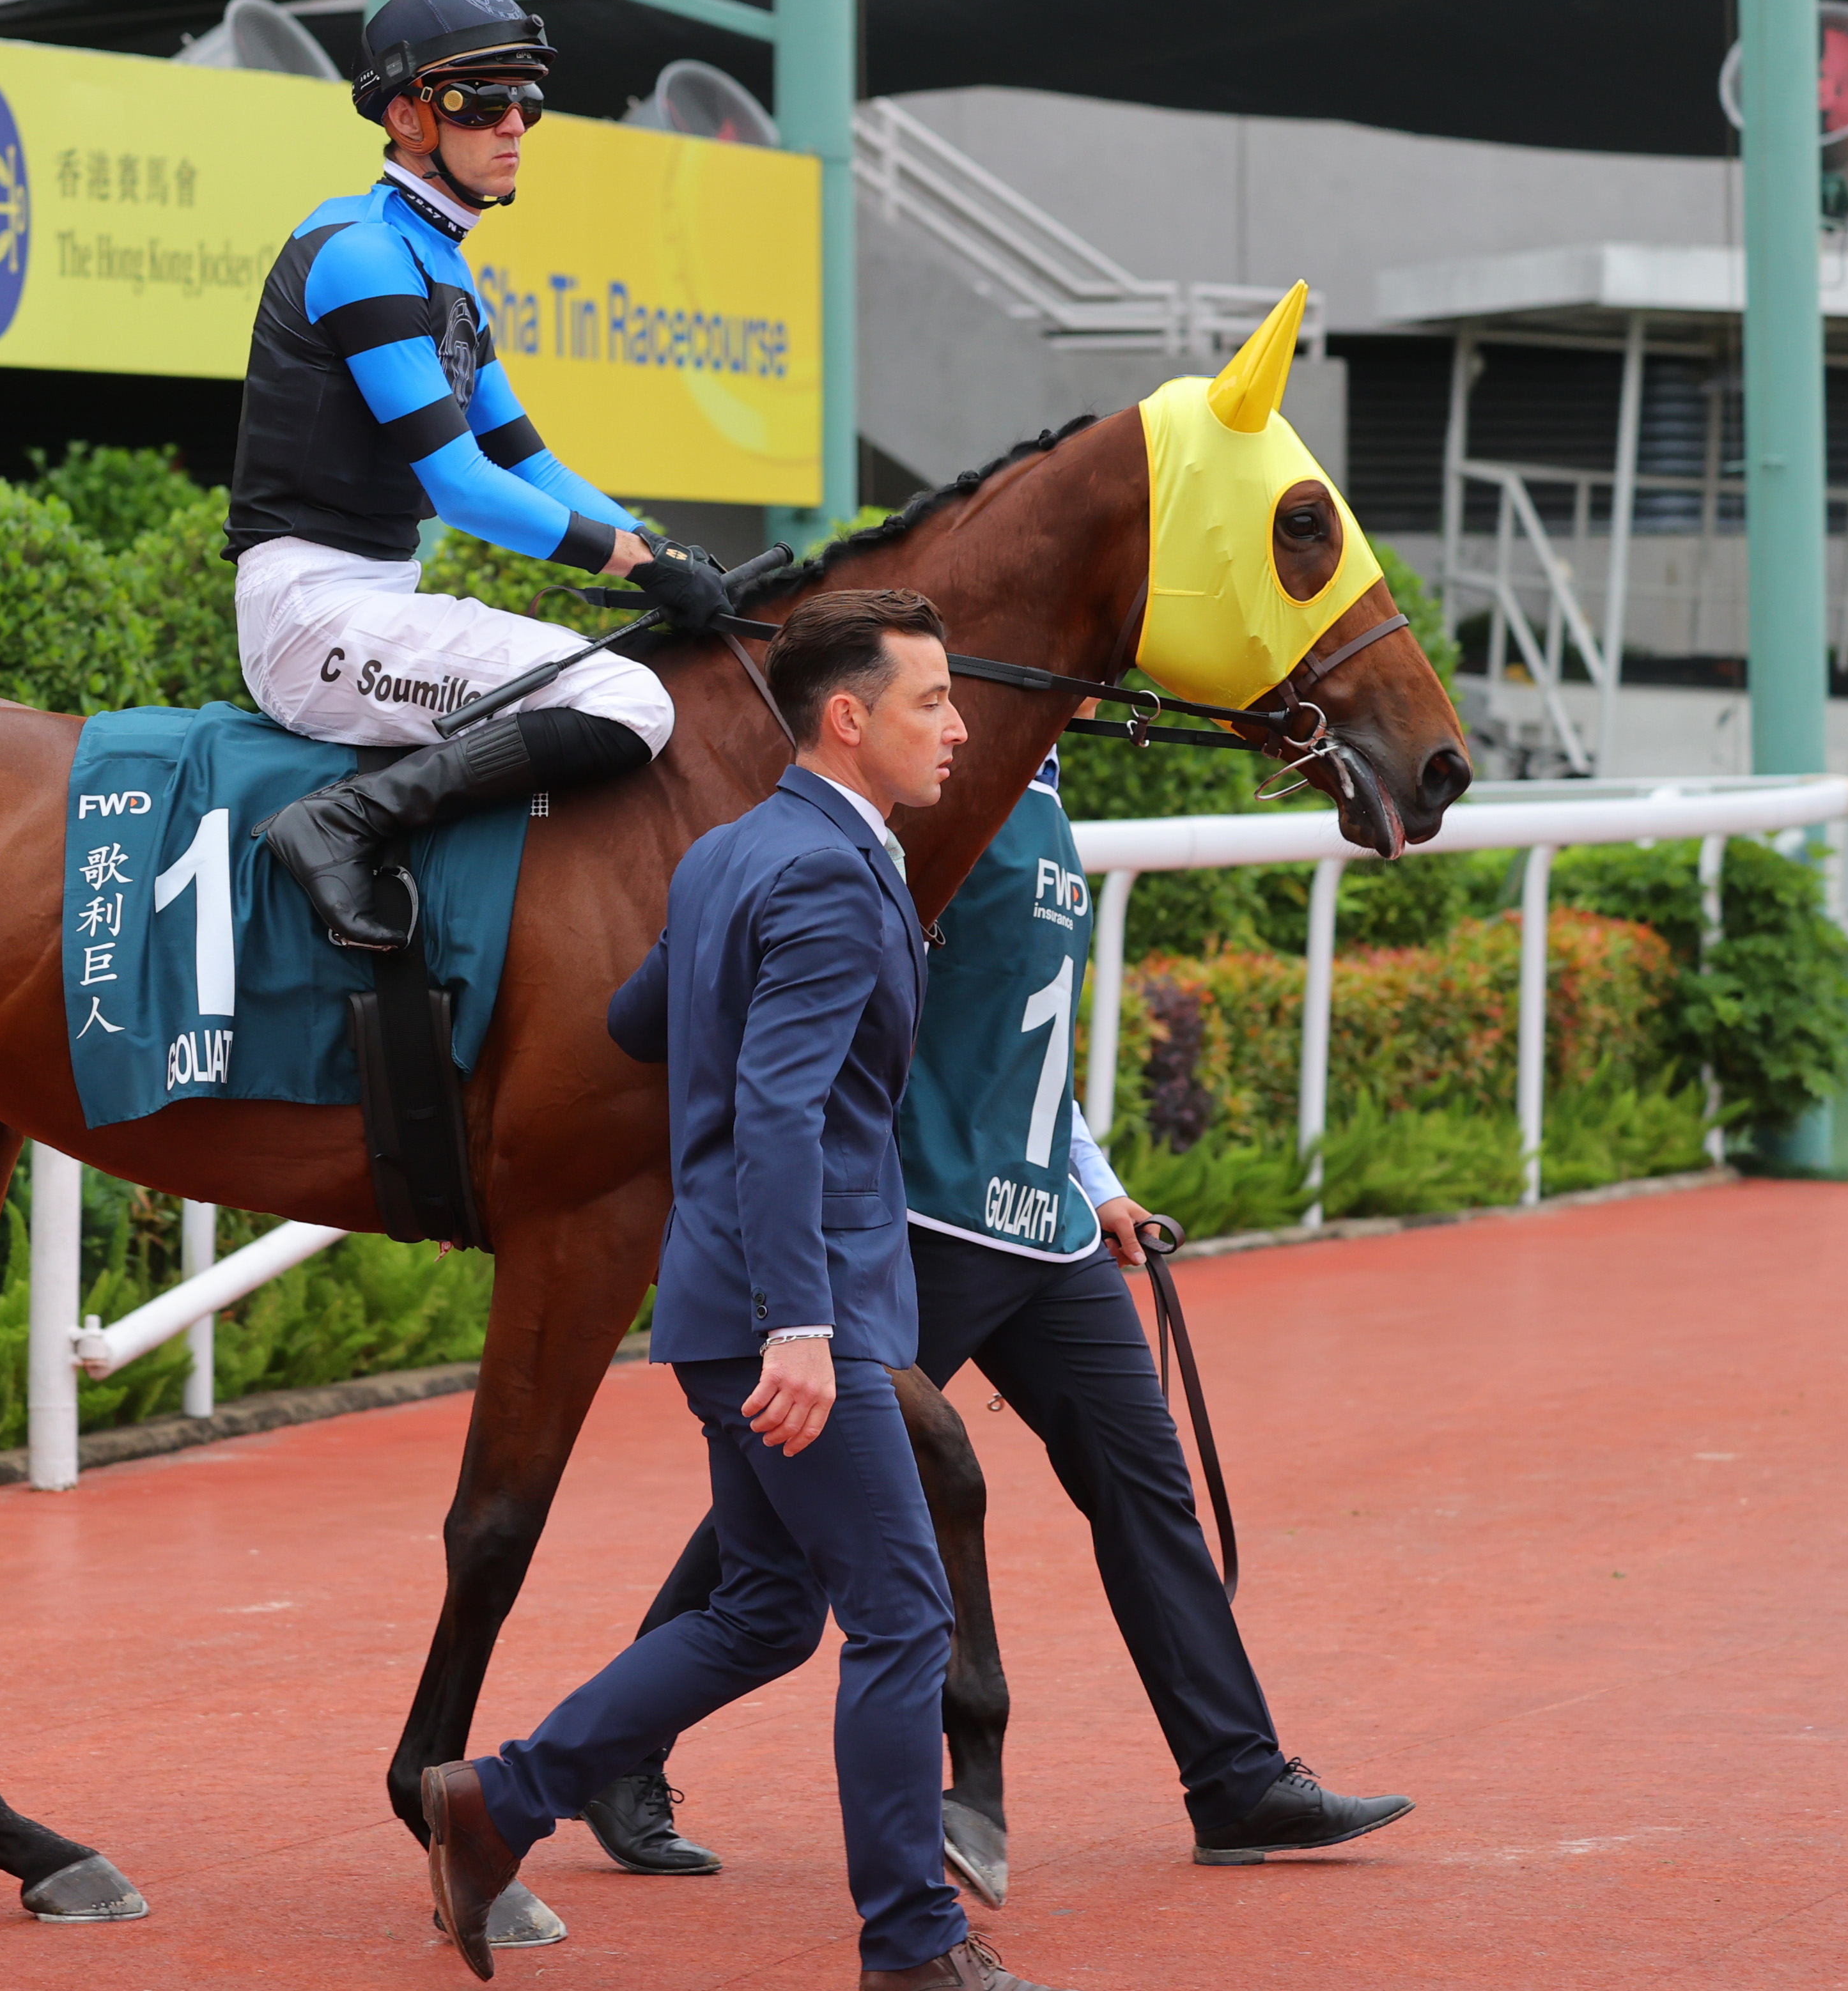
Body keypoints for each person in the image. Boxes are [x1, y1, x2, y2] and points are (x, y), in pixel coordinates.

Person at [578, 708, 1414, 1893]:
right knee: (797, 1480)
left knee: (1145, 1481)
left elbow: (1034, 1029)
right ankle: (620, 1747)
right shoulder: (924, 805)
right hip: (922, 1217)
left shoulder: (1044, 787)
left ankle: (1235, 1777)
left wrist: (1097, 1183)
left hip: (1047, 1226)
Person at [417, 589, 1096, 1991]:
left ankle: (500, 1800)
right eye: (931, 703)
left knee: (769, 1611)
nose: (962, 727)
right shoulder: (840, 880)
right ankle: (912, 1943)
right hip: (805, 1314)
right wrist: (805, 1325)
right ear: (849, 719)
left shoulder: (731, 853)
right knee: (906, 1620)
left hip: (724, 1297)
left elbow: (637, 1025)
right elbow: (783, 1108)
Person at [224, 0, 736, 952]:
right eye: (481, 102)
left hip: (373, 599)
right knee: (626, 700)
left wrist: (664, 549)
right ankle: (341, 822)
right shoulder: (362, 253)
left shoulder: (443, 264)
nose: (513, 125)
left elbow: (531, 466)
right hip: (310, 616)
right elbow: (461, 487)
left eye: (526, 103)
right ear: (410, 114)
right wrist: (629, 565)